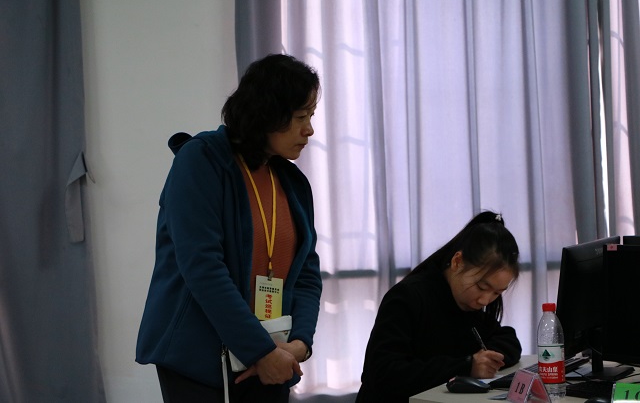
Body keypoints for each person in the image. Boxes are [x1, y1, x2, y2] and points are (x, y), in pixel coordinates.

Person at [136, 53, 323, 403]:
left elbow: (307, 273)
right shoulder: (201, 160)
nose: (309, 130)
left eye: (310, 116)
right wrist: (260, 351)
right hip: (202, 361)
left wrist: (299, 343)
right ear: (267, 113)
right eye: (301, 117)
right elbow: (203, 267)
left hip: (273, 355)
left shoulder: (293, 182)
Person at [356, 211, 522, 403]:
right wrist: (466, 366)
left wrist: (486, 361)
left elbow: (508, 339)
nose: (485, 300)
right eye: (481, 287)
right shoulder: (408, 296)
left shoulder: (468, 304)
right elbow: (385, 373)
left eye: (497, 293)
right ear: (457, 262)